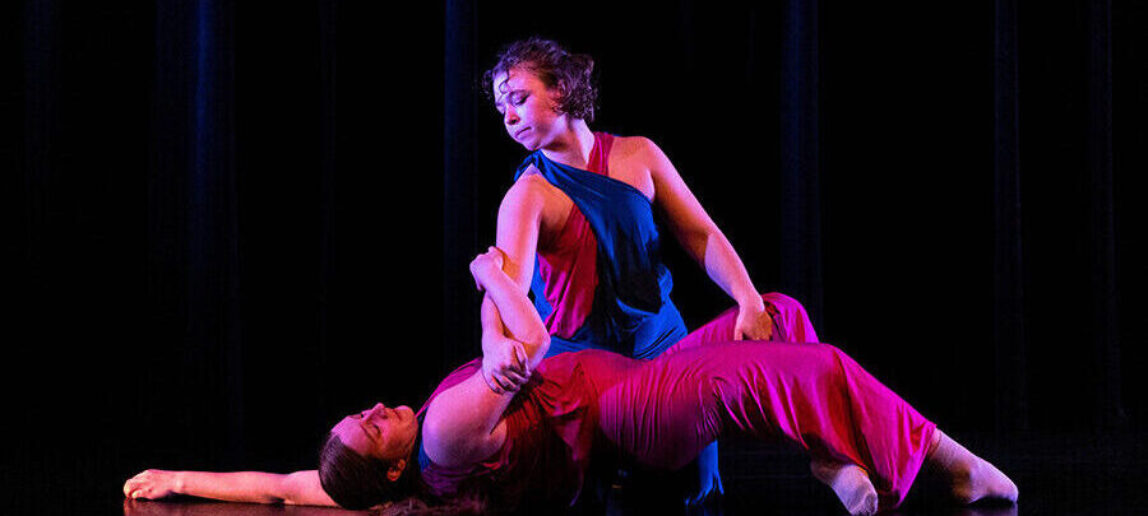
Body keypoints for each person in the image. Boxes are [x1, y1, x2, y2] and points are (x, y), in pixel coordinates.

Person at [124, 248, 1019, 515]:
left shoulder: (396, 485)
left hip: (631, 381)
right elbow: (527, 339)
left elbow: (288, 493)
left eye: (361, 417)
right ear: (397, 464)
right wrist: (488, 274)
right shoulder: (440, 434)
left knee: (772, 313)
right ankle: (953, 465)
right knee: (814, 368)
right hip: (624, 412)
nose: (374, 411)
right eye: (371, 429)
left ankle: (835, 464)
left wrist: (181, 478)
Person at [478, 36, 782, 504]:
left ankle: (839, 458)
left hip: (662, 342)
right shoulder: (528, 195)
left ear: (560, 89)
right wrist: (493, 340)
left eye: (518, 99)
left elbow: (700, 235)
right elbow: (506, 287)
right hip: (581, 361)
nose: (509, 117)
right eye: (502, 110)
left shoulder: (638, 155)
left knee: (691, 486)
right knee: (598, 492)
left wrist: (747, 299)